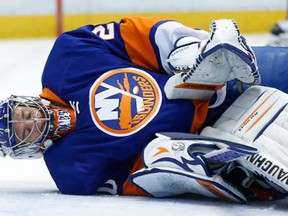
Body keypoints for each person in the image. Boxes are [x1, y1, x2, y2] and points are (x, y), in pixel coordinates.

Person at [0, 17, 287, 203]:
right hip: (227, 132)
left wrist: (190, 51)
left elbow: (145, 35)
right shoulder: (71, 172)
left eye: (20, 114)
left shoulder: (69, 55)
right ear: (22, 151)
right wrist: (190, 163)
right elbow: (146, 176)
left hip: (231, 77)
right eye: (21, 132)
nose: (27, 121)